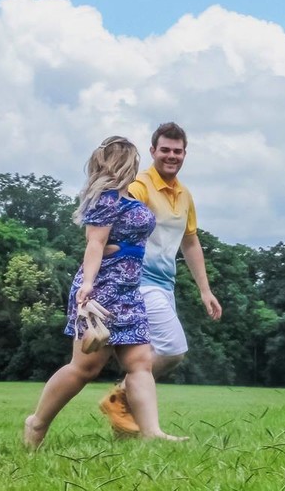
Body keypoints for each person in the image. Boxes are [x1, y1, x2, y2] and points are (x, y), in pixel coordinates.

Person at [24, 136, 185, 448]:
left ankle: (152, 432)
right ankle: (37, 422)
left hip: (130, 289)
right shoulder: (105, 200)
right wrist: (87, 286)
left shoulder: (126, 198)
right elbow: (95, 245)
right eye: (133, 159)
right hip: (104, 291)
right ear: (125, 163)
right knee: (85, 368)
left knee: (140, 362)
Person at [98, 122, 221, 437]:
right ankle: (122, 398)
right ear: (153, 151)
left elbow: (190, 242)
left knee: (145, 355)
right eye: (164, 149)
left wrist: (205, 290)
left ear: (184, 154)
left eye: (177, 151)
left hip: (165, 285)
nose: (171, 156)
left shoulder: (184, 195)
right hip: (138, 282)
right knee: (172, 348)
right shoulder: (140, 187)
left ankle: (123, 406)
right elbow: (114, 221)